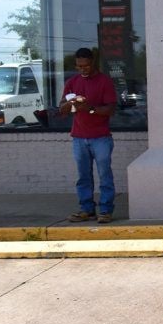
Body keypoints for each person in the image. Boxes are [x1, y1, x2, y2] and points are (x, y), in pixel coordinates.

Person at [59, 47, 117, 223]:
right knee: (83, 175)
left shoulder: (104, 82)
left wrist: (90, 108)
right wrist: (68, 105)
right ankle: (86, 209)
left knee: (104, 174)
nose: (82, 69)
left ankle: (105, 210)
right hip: (78, 136)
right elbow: (62, 110)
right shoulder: (72, 82)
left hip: (100, 137)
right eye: (78, 66)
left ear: (92, 63)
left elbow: (111, 109)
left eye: (85, 65)